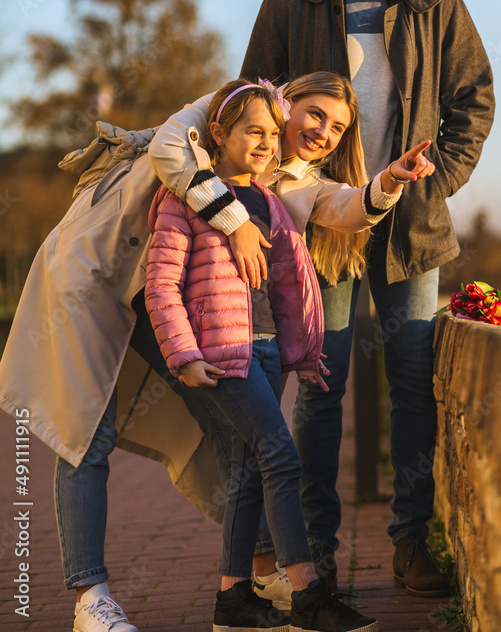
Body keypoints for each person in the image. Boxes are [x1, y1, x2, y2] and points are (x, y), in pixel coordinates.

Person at [0, 72, 433, 631]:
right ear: (287, 102)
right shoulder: (225, 110)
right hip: (96, 274)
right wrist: (233, 223)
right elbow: (166, 149)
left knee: (235, 430)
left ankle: (253, 576)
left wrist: (391, 180)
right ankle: (91, 599)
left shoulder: (283, 177)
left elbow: (344, 207)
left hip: (168, 300)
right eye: (315, 114)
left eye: (338, 127)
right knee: (87, 434)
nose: (323, 132)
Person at [240, 0, 496, 596]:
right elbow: (253, 109)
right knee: (322, 387)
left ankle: (411, 541)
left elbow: (473, 102)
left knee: (415, 386)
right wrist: (285, 194)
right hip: (325, 227)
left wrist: (433, 185)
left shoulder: (434, 2)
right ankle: (312, 550)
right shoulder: (288, 5)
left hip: (411, 229)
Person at [144, 78, 380, 632]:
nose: (267, 143)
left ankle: (233, 600)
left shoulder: (272, 202)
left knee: (251, 469)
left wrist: (300, 350)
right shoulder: (183, 197)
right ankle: (308, 595)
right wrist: (182, 355)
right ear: (219, 133)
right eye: (253, 131)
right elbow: (161, 285)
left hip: (269, 352)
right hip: (224, 353)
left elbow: (288, 285)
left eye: (273, 134)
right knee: (281, 456)